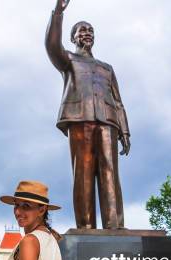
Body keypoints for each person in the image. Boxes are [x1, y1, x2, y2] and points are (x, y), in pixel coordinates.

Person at [45, 0, 131, 229]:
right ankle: (86, 227)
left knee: (110, 173)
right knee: (82, 174)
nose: (87, 33)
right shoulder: (69, 60)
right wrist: (58, 13)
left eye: (90, 30)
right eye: (82, 30)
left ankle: (115, 227)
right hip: (79, 118)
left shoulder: (106, 67)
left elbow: (119, 101)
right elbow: (52, 45)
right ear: (73, 37)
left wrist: (125, 130)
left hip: (107, 121)